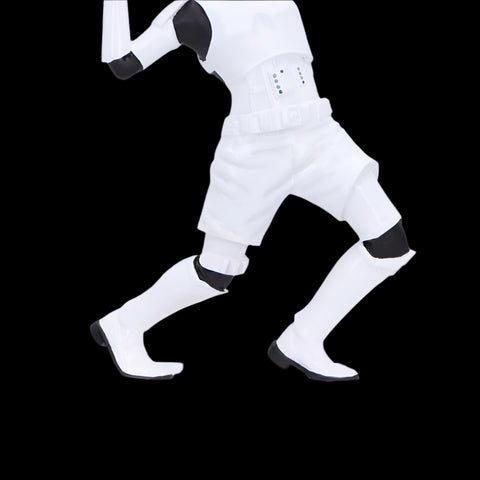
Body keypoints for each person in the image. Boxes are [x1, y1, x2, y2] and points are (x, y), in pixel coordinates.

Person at [90, 0, 415, 381]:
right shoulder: (193, 12)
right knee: (216, 270)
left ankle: (303, 339)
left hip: (320, 135)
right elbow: (122, 63)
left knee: (388, 240)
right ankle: (123, 325)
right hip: (254, 149)